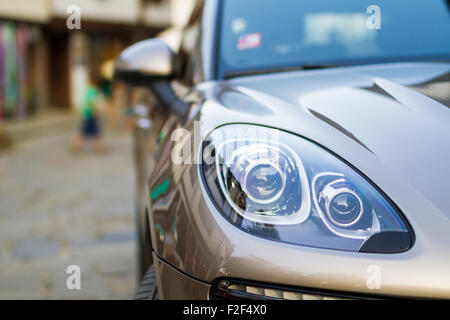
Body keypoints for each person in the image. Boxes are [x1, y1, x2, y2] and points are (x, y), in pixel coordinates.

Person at [70, 75, 106, 154]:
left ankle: (75, 145)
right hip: (91, 115)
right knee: (94, 133)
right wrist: (96, 112)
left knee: (86, 132)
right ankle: (99, 149)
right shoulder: (93, 91)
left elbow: (83, 103)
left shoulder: (87, 91)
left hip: (86, 114)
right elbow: (93, 103)